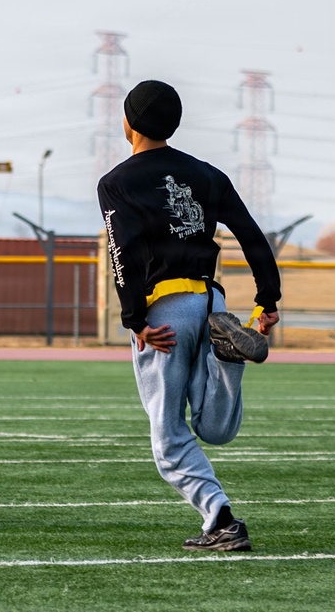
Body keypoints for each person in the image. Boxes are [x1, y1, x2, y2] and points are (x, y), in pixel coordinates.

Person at [97, 80, 281, 552]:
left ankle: (220, 519)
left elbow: (123, 253)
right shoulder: (208, 174)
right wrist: (267, 300)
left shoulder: (117, 181)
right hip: (211, 301)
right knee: (215, 429)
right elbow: (251, 234)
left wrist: (134, 319)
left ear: (128, 123)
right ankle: (228, 358)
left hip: (164, 311)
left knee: (168, 436)